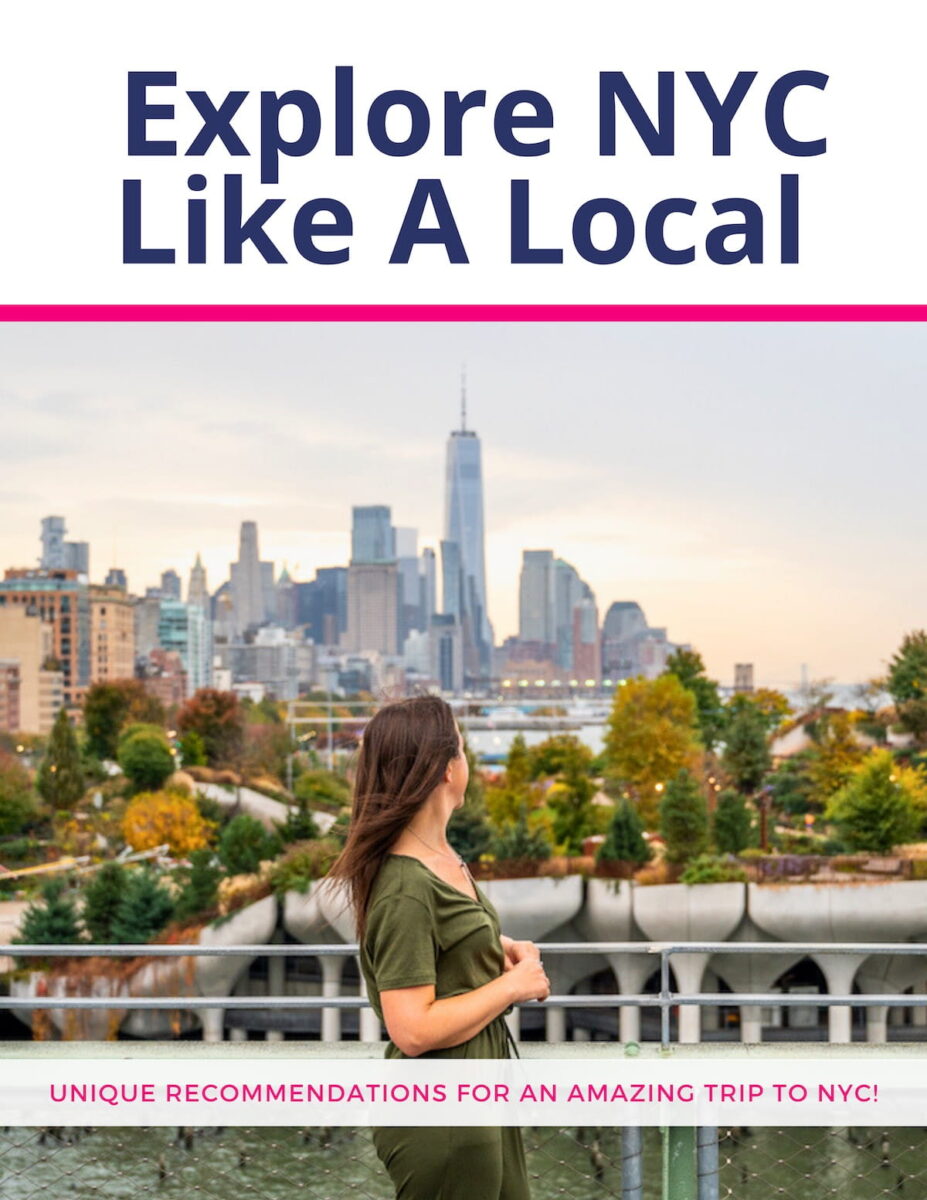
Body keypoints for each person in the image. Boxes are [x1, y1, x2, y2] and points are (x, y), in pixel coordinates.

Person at [327, 694, 550, 1200]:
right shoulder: (405, 885)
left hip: (479, 1096)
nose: (466, 760)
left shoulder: (441, 858)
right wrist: (513, 985)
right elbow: (411, 1028)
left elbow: (444, 943)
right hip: (444, 1114)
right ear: (446, 769)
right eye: (464, 749)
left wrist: (495, 948)